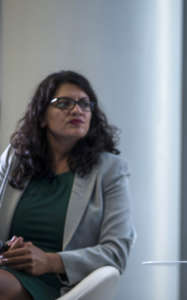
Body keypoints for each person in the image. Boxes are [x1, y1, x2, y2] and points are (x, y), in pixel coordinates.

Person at [0, 71, 135, 300]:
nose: (76, 110)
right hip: (7, 270)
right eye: (64, 103)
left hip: (63, 285)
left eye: (84, 104)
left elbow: (117, 252)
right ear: (41, 116)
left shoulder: (110, 170)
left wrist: (50, 261)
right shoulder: (15, 159)